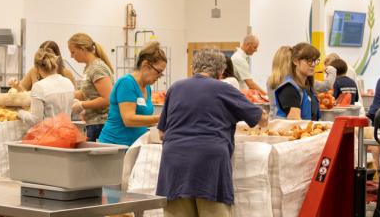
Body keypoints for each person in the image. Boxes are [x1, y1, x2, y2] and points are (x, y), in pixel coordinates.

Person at [157, 49, 266, 217]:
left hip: (174, 163)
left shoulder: (175, 87)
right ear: (221, 72)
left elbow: (162, 133)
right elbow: (259, 118)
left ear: (193, 67)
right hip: (209, 163)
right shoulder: (223, 88)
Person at [96, 42, 167, 146]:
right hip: (115, 146)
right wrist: (160, 118)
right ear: (145, 65)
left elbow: (145, 120)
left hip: (135, 145)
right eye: (158, 72)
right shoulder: (126, 83)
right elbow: (129, 119)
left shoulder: (147, 87)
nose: (160, 76)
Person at [69, 33, 115, 142]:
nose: (71, 56)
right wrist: (67, 94)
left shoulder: (97, 68)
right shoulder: (89, 67)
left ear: (83, 49)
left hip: (100, 123)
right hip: (93, 123)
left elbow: (107, 98)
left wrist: (82, 105)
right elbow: (87, 93)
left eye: (73, 52)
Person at [19, 47, 75, 126]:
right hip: (67, 133)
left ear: (37, 68)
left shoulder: (39, 87)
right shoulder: (68, 82)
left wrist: (19, 112)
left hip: (49, 135)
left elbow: (35, 120)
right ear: (55, 65)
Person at [272, 43, 321, 121]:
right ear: (295, 61)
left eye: (315, 61)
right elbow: (295, 121)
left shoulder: (307, 87)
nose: (313, 64)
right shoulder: (289, 88)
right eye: (309, 60)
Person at [10, 41, 76, 92]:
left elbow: (74, 96)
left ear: (56, 58)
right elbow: (23, 91)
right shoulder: (34, 71)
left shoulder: (66, 74)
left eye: (48, 57)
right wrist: (17, 86)